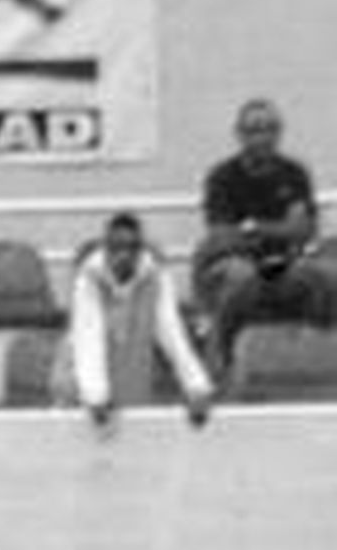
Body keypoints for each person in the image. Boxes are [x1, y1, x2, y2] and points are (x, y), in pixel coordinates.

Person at [191, 98, 331, 374]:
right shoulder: (222, 177)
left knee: (327, 271)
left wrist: (254, 227)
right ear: (239, 135)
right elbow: (222, 236)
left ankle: (322, 355)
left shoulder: (294, 173)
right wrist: (279, 229)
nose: (263, 137)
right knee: (239, 277)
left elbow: (303, 230)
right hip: (236, 263)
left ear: (279, 133)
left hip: (287, 263)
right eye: (254, 130)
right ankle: (219, 361)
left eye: (269, 129)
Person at [54, 212, 214, 429]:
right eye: (117, 247)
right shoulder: (88, 278)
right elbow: (88, 337)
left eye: (131, 248)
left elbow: (172, 334)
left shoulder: (156, 277)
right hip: (78, 374)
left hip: (131, 362)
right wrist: (96, 396)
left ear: (140, 250)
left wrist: (197, 387)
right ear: (106, 248)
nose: (124, 255)